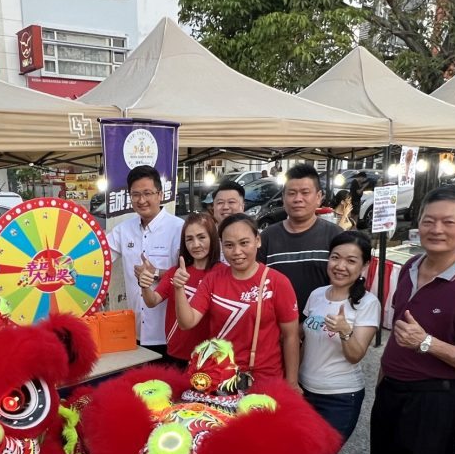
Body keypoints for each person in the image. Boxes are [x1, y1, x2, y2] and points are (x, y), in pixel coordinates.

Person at [370, 185, 455, 454]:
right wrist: (383, 382)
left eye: (448, 222)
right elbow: (399, 336)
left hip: (433, 401)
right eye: (428, 220)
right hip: (391, 392)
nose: (436, 229)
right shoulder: (410, 267)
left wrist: (427, 343)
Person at [175, 214, 300, 387]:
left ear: (257, 240)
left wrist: (292, 383)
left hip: (263, 379)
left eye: (244, 243)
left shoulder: (278, 282)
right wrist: (179, 288)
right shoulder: (213, 280)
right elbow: (187, 322)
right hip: (219, 377)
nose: (237, 252)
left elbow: (291, 336)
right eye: (229, 245)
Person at [300, 231, 380, 454]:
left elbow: (356, 355)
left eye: (351, 261)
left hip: (340, 398)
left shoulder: (367, 304)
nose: (340, 266)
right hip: (305, 393)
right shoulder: (316, 295)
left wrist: (345, 332)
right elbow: (303, 342)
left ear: (365, 265)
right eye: (335, 258)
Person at [106, 165, 183, 357]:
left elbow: (191, 274)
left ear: (160, 194)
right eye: (135, 195)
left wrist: (155, 274)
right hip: (135, 333)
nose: (141, 200)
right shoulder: (123, 230)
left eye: (147, 193)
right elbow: (99, 257)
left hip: (168, 333)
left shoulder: (179, 228)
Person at [136, 212, 222, 367]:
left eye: (201, 237)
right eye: (189, 239)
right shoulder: (175, 271)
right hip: (175, 353)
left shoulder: (224, 274)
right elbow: (152, 301)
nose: (195, 244)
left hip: (210, 357)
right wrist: (145, 285)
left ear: (213, 238)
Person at [258, 164, 342, 320]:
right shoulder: (267, 237)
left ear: (318, 197)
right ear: (283, 198)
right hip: (277, 327)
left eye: (305, 193)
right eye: (291, 193)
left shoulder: (334, 235)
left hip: (322, 326)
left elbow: (343, 285)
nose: (298, 199)